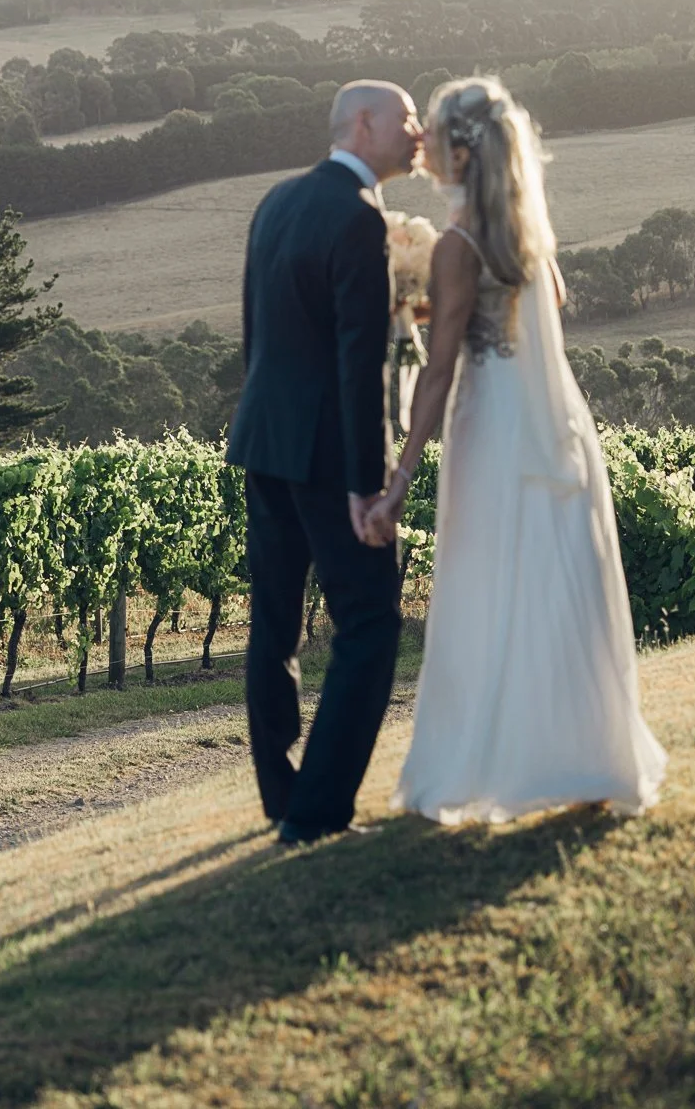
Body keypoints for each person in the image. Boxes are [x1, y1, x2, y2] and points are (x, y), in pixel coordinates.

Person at [367, 75, 666, 824]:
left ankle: (473, 767)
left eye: (433, 130)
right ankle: (590, 759)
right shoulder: (524, 232)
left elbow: (438, 372)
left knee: (487, 587)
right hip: (554, 418)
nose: (424, 142)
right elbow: (549, 301)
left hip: (493, 427)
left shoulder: (461, 245)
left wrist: (401, 476)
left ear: (459, 154)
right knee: (558, 585)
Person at [227, 78, 423, 844]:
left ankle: (281, 794)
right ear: (366, 124)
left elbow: (257, 333)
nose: (416, 132)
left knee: (273, 623)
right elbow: (358, 363)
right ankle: (317, 813)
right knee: (371, 620)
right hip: (324, 456)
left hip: (264, 439)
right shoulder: (356, 217)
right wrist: (366, 488)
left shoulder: (276, 200)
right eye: (406, 118)